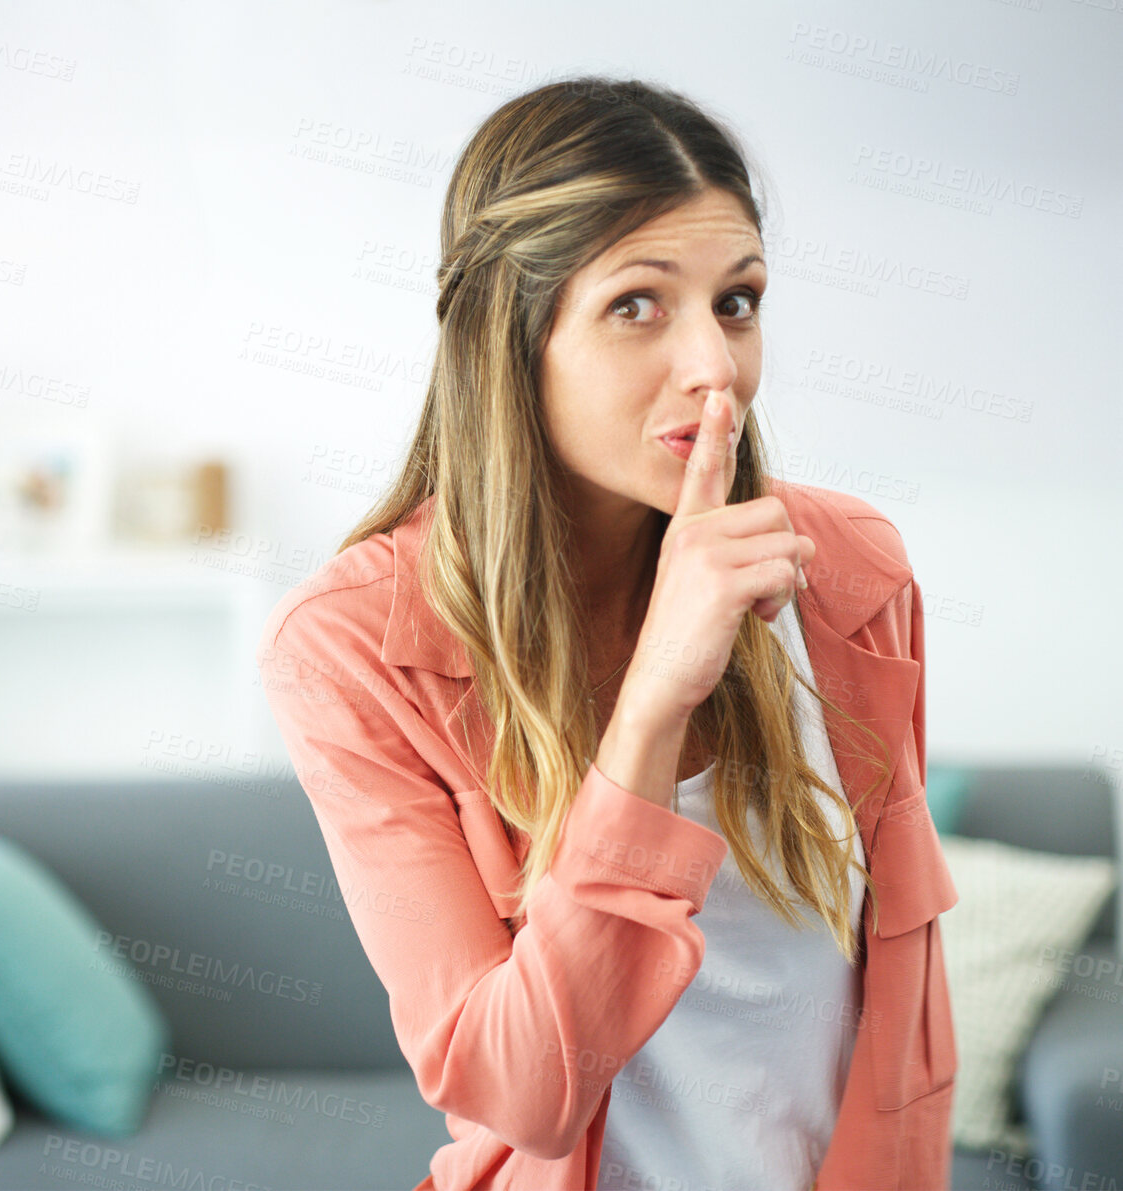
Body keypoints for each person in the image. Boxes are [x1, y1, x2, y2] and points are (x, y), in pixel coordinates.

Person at [254, 76, 958, 1190]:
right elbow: (521, 1093)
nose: (713, 366)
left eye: (736, 301)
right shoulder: (345, 647)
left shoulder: (851, 575)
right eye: (636, 304)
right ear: (506, 331)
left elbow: (905, 1029)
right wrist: (647, 709)